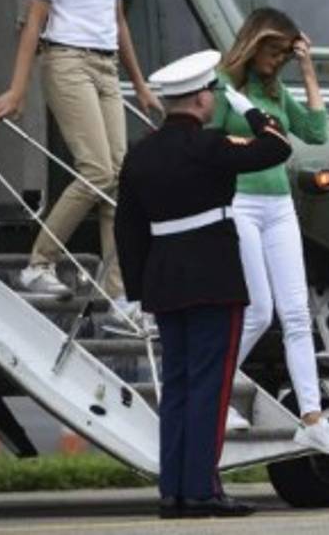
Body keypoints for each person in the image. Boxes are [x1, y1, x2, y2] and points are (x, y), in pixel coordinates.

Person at [113, 49, 291, 519]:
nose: (215, 101)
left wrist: (139, 289)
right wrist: (250, 107)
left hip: (165, 282)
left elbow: (127, 228)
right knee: (209, 388)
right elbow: (277, 145)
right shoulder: (209, 145)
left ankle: (173, 491)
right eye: (212, 93)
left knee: (177, 388)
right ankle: (202, 490)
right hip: (213, 278)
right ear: (197, 100)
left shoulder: (140, 153)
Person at [0, 0, 161, 316]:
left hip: (105, 66)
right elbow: (35, 20)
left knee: (120, 177)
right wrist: (19, 88)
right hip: (67, 62)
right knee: (97, 170)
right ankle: (38, 263)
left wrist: (138, 84)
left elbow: (118, 21)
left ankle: (119, 294)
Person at [210, 8, 329, 456]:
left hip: (279, 207)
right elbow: (206, 140)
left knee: (295, 314)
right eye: (272, 51)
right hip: (239, 203)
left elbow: (315, 131)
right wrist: (242, 144)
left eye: (283, 55)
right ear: (253, 44)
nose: (276, 61)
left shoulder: (276, 90)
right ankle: (214, 388)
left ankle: (312, 418)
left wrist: (308, 69)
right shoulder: (223, 85)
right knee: (258, 311)